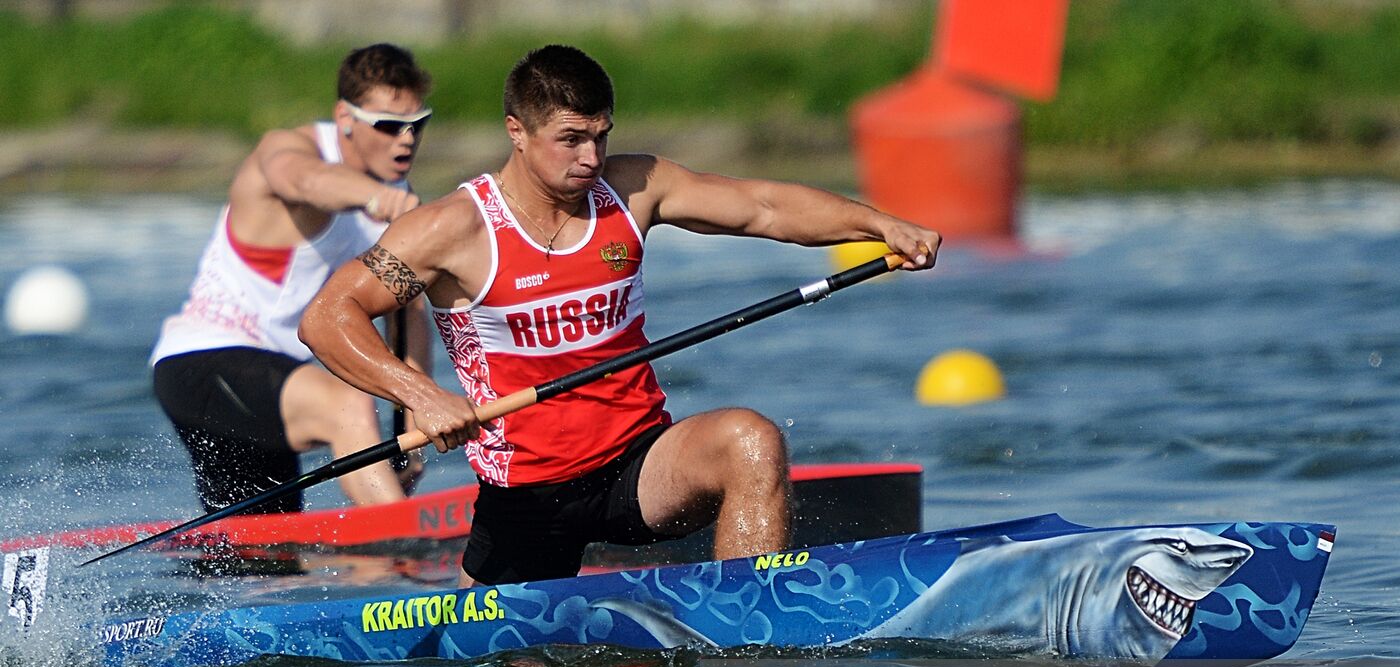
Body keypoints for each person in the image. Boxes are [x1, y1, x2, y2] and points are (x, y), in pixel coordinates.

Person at [300, 44, 940, 585]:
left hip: (638, 463)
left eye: (601, 136)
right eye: (571, 139)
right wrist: (421, 394)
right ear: (516, 132)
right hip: (528, 492)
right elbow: (328, 316)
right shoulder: (453, 229)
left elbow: (761, 207)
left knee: (751, 440)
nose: (590, 158)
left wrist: (878, 223)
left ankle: (750, 620)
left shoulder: (634, 188)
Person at [150, 43, 434, 515]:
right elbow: (304, 182)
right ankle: (404, 546)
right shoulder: (288, 150)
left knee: (256, 564)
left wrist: (411, 427)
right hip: (200, 364)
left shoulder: (397, 194)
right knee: (346, 405)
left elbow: (409, 313)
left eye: (417, 124)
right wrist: (377, 199)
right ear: (345, 117)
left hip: (278, 382)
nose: (405, 139)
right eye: (387, 125)